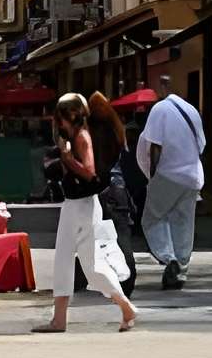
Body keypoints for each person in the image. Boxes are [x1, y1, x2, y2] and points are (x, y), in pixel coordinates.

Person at [37, 93, 137, 334]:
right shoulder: (78, 135)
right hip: (80, 206)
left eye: (60, 117)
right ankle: (122, 307)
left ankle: (63, 319)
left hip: (80, 206)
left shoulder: (81, 137)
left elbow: (90, 172)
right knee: (80, 264)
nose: (57, 123)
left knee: (78, 262)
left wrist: (68, 160)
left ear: (69, 117)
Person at [136, 79, 205, 290]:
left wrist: (154, 176)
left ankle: (170, 259)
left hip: (169, 173)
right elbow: (201, 145)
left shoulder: (160, 109)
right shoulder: (191, 110)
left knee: (152, 218)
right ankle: (181, 269)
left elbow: (155, 145)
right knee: (183, 222)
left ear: (163, 89)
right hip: (193, 176)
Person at [88, 91, 138, 291]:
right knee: (122, 235)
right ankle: (128, 280)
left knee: (93, 236)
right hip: (118, 189)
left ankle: (84, 277)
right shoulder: (118, 129)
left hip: (99, 189)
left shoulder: (89, 131)